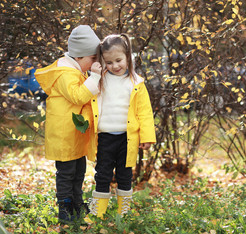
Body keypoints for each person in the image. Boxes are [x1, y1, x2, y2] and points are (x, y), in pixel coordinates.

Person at [35, 25, 102, 223]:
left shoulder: (76, 70)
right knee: (66, 173)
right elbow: (78, 96)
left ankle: (77, 202)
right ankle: (64, 206)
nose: (94, 64)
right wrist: (95, 77)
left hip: (75, 134)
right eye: (93, 59)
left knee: (79, 170)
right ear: (80, 57)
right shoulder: (65, 73)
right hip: (64, 135)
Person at [86, 34, 156, 221]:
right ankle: (98, 211)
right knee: (102, 173)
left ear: (128, 57)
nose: (115, 66)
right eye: (109, 62)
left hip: (128, 138)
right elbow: (87, 94)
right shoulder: (101, 79)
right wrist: (94, 73)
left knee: (125, 173)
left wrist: (147, 136)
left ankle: (122, 210)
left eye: (119, 60)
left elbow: (145, 112)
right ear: (103, 62)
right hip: (105, 137)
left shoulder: (136, 83)